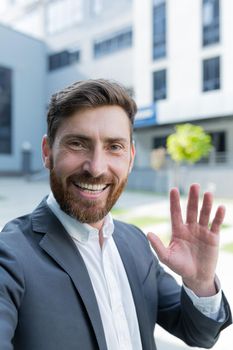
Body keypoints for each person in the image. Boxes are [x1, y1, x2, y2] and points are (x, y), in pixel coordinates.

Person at [0, 79, 232, 350]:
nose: (97, 167)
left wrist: (200, 282)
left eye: (114, 147)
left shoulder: (135, 242)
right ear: (47, 152)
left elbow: (200, 335)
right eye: (77, 143)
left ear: (131, 158)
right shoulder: (10, 256)